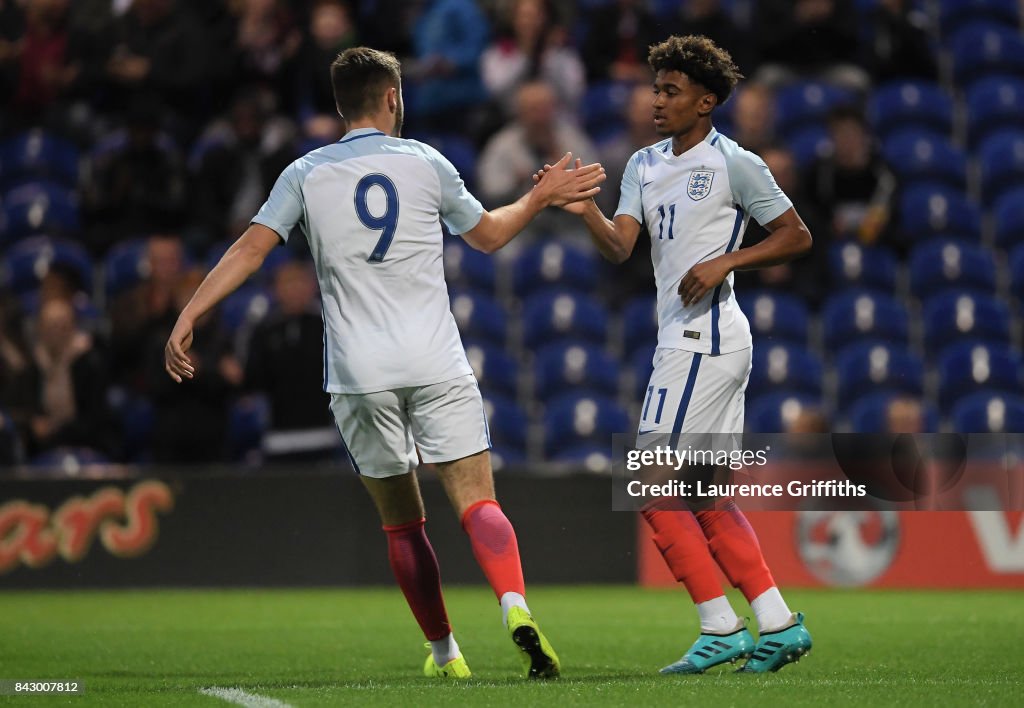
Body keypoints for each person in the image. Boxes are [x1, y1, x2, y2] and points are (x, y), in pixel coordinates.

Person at [165, 46, 604, 679]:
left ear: (341, 106)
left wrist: (191, 314)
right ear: (394, 97)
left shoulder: (305, 173)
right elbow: (489, 235)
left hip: (358, 371)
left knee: (403, 524)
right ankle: (515, 606)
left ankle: (446, 655)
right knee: (479, 503)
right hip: (434, 359)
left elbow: (250, 250)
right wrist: (539, 199)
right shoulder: (427, 162)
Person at [537, 35, 813, 674]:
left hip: (705, 339)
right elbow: (620, 247)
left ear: (706, 101)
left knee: (653, 486)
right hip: (691, 338)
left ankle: (719, 626)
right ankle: (776, 623)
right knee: (709, 497)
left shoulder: (735, 164)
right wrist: (584, 211)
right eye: (655, 88)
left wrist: (727, 261)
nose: (655, 100)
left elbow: (797, 235)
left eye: (671, 91)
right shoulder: (641, 164)